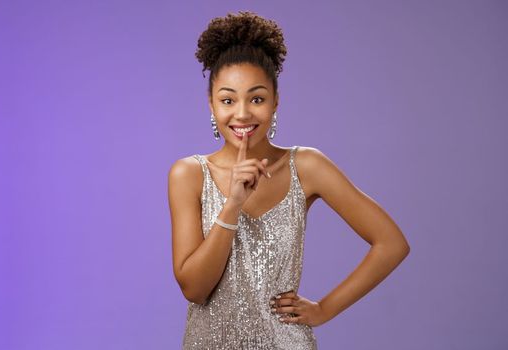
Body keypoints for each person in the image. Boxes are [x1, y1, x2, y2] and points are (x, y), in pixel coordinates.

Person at [167, 11, 410, 349]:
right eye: (227, 100)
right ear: (211, 104)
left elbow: (392, 244)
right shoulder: (189, 174)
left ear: (275, 101)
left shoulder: (306, 166)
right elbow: (194, 289)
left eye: (256, 98)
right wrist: (233, 203)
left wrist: (325, 309)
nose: (242, 114)